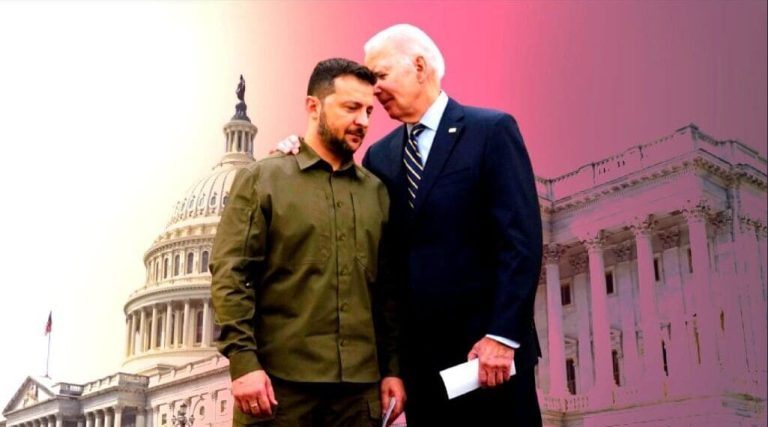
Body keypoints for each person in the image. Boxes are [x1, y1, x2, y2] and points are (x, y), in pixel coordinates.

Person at [279, 24, 543, 426]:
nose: (374, 89)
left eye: (380, 75)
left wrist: (502, 337)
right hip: (423, 370)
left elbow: (521, 242)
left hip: (488, 361)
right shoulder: (380, 157)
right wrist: (296, 155)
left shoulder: (490, 131)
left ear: (419, 67)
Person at [211, 58, 406, 427]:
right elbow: (231, 275)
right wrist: (243, 363)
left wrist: (393, 369)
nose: (363, 121)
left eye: (368, 111)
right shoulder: (263, 179)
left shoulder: (377, 192)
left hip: (359, 396)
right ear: (313, 107)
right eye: (351, 107)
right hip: (279, 393)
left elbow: (388, 292)